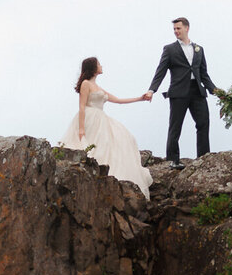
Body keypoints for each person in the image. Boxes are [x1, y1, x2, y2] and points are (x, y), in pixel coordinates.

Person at [61, 57, 154, 198]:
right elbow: (81, 106)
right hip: (90, 118)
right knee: (96, 147)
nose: (101, 66)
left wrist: (140, 98)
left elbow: (118, 100)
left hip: (101, 118)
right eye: (98, 64)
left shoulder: (98, 87)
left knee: (125, 139)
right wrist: (81, 129)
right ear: (93, 67)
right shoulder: (86, 84)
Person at [147, 17, 222, 169]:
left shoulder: (199, 49)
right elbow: (160, 71)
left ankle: (203, 158)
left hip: (197, 91)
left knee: (203, 123)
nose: (176, 31)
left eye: (178, 28)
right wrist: (151, 90)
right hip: (178, 92)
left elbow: (204, 74)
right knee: (175, 127)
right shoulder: (169, 49)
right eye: (174, 29)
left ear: (187, 28)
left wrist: (216, 91)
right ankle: (173, 160)